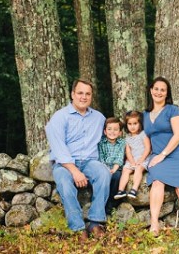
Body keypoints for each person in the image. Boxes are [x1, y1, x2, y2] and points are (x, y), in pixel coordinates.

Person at [45, 79, 109, 242]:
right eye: (80, 93)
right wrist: (74, 171)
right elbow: (58, 148)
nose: (83, 97)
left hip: (89, 161)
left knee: (103, 173)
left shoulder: (99, 118)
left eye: (87, 94)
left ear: (91, 96)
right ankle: (78, 228)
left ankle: (95, 222)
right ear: (72, 94)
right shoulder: (59, 117)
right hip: (65, 164)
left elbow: (108, 140)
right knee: (65, 184)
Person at [144, 77, 179, 237]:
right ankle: (154, 224)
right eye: (156, 88)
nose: (159, 92)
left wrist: (162, 154)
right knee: (157, 183)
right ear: (151, 90)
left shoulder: (173, 110)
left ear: (167, 93)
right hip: (157, 156)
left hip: (178, 155)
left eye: (163, 90)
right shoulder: (145, 114)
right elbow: (145, 139)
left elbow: (178, 136)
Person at [114, 110, 151, 199]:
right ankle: (121, 190)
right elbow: (128, 151)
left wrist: (141, 160)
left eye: (135, 123)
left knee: (138, 169)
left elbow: (148, 148)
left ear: (140, 124)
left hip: (143, 158)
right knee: (125, 170)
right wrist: (132, 161)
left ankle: (134, 189)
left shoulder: (143, 134)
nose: (132, 126)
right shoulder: (127, 137)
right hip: (132, 159)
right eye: (129, 124)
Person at [98, 117, 126, 213]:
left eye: (115, 129)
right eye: (109, 129)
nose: (112, 132)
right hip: (104, 167)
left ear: (120, 132)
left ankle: (112, 203)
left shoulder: (122, 143)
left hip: (116, 168)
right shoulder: (101, 142)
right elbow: (101, 156)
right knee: (103, 179)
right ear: (105, 131)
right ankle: (103, 203)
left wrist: (114, 169)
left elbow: (120, 156)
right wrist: (105, 168)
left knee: (116, 177)